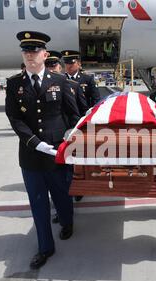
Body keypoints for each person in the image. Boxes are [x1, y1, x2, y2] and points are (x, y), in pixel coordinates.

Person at [5, 31, 80, 269]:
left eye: (34, 50)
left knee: (62, 196)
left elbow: (72, 114)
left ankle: (67, 223)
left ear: (44, 54)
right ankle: (45, 247)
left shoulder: (59, 81)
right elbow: (15, 119)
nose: (29, 54)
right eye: (26, 50)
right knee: (38, 203)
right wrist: (35, 142)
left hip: (57, 152)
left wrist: (69, 134)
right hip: (30, 154)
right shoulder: (14, 83)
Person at [45, 50, 88, 224]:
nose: (52, 69)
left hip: (69, 136)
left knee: (69, 174)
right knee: (58, 181)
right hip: (50, 141)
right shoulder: (41, 86)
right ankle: (62, 210)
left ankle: (70, 200)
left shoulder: (71, 85)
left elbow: (80, 110)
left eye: (54, 65)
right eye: (49, 65)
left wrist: (75, 130)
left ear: (60, 67)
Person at [62, 50, 101, 202]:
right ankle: (74, 184)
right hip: (66, 124)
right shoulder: (59, 79)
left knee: (82, 155)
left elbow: (96, 99)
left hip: (83, 121)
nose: (69, 66)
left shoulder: (87, 79)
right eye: (66, 63)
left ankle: (82, 183)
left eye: (72, 63)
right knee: (69, 156)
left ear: (78, 64)